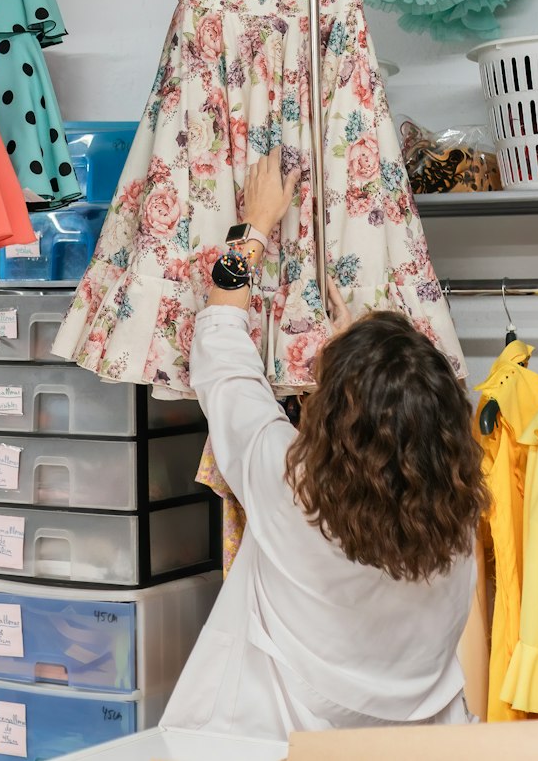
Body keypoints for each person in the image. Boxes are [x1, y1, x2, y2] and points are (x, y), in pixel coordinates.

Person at [160, 151, 483, 740]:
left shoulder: (287, 485)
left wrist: (252, 231)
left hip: (271, 741)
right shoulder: (456, 521)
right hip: (407, 747)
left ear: (331, 417)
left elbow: (222, 357)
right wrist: (359, 351)